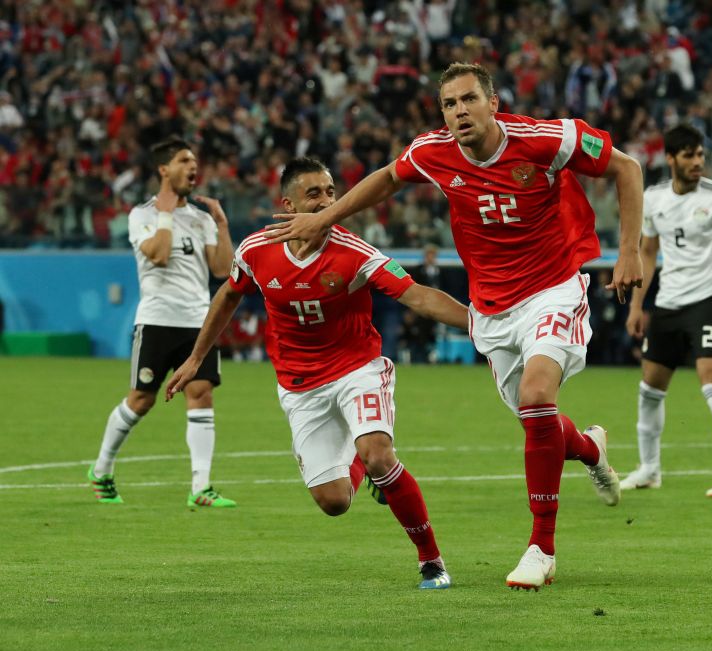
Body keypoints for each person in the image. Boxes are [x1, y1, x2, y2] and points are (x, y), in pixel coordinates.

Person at [266, 62, 644, 590]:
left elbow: (627, 167)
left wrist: (629, 251)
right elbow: (387, 178)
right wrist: (326, 217)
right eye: (449, 104)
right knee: (536, 418)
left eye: (469, 99)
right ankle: (590, 448)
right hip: (492, 308)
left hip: (553, 288)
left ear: (493, 103)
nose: (460, 111)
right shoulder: (433, 151)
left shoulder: (547, 139)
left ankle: (542, 547)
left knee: (537, 397)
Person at [166, 157, 468, 589]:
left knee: (379, 454)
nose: (327, 201)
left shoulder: (356, 253)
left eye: (330, 192)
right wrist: (196, 358)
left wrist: (478, 323)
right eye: (314, 194)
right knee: (334, 502)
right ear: (288, 206)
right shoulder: (256, 251)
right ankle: (363, 468)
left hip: (358, 369)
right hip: (301, 385)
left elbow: (417, 296)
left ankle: (431, 561)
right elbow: (229, 295)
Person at [88, 137, 237, 508]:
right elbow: (157, 254)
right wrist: (167, 214)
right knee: (141, 400)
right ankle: (101, 469)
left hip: (199, 322)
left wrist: (221, 224)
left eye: (194, 161)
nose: (193, 167)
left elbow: (223, 269)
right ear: (163, 169)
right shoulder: (142, 215)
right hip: (157, 321)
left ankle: (200, 487)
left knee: (201, 394)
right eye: (184, 160)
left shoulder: (202, 218)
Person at [622, 124, 712, 498]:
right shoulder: (653, 199)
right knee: (650, 387)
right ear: (670, 158)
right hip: (667, 303)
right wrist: (637, 305)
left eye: (700, 155)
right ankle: (649, 469)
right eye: (689, 155)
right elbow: (648, 253)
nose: (697, 162)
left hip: (708, 300)